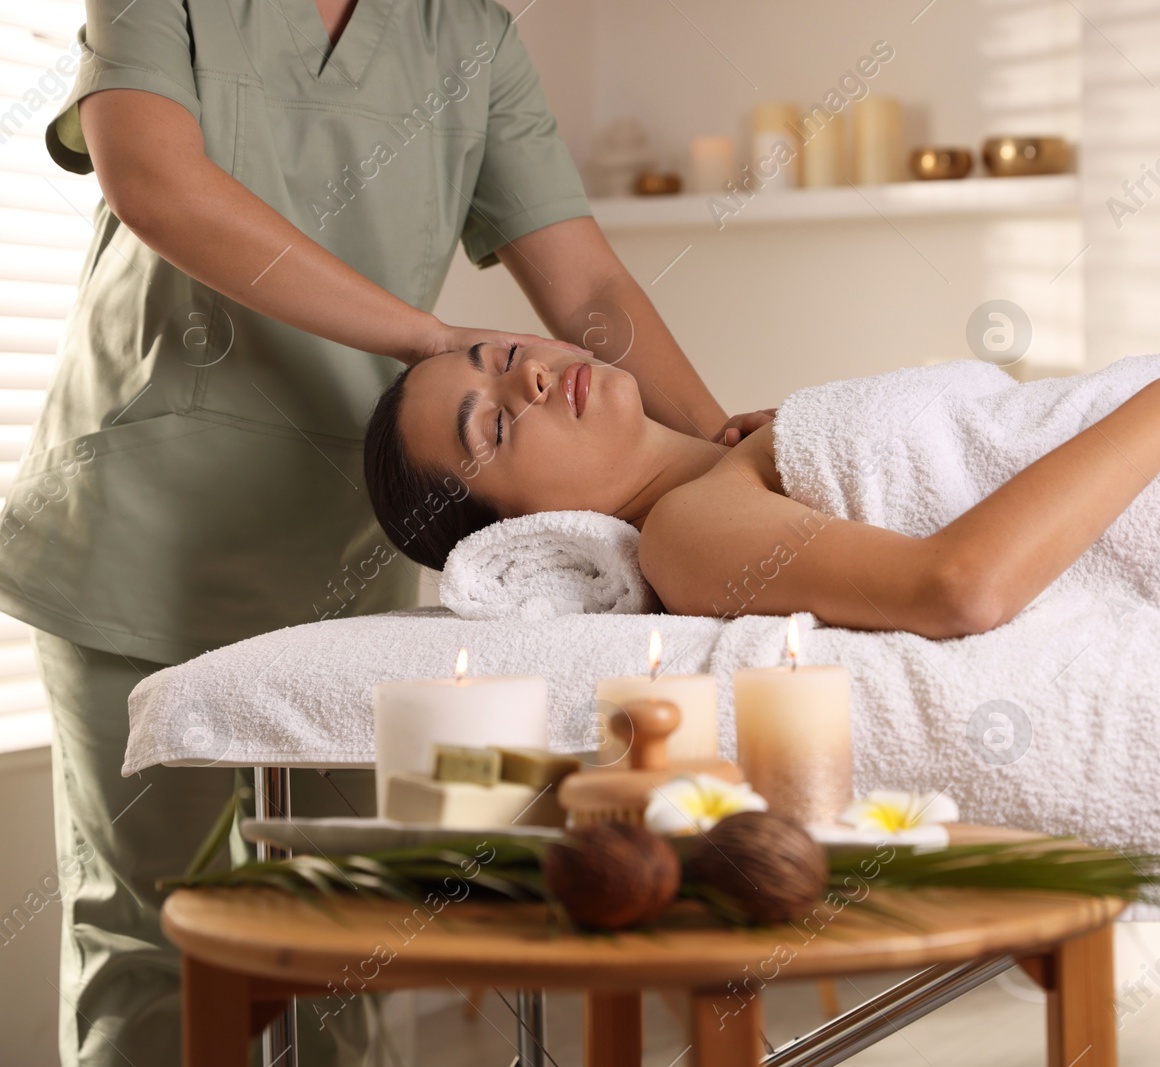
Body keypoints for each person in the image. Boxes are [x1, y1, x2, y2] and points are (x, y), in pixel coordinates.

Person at [0, 1, 768, 1064]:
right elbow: (156, 185)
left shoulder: (468, 39)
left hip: (341, 565)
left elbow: (586, 283)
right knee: (151, 943)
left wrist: (733, 451)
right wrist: (433, 337)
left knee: (345, 943)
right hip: (141, 529)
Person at [365, 346, 1160, 633]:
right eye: (496, 423)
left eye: (503, 354)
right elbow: (958, 585)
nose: (531, 377)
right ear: (527, 531)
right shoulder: (687, 533)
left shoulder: (739, 459)